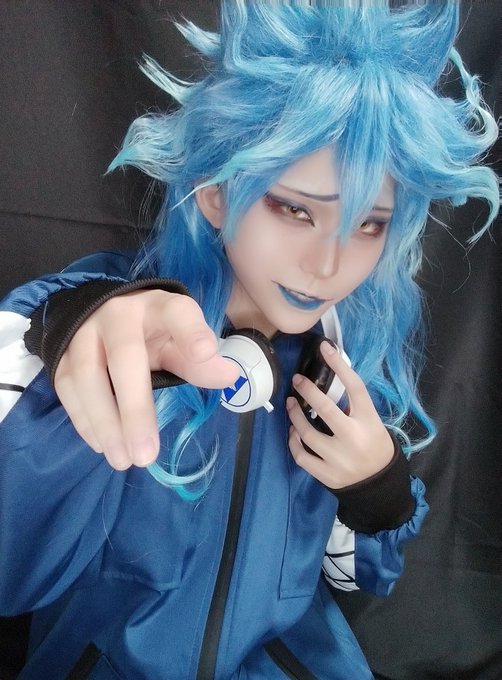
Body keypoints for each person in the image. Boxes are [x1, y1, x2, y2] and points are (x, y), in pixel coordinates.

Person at [0, 2, 498, 679]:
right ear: (214, 192)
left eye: (368, 225)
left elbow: (357, 583)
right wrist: (65, 342)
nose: (329, 265)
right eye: (294, 208)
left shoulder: (339, 368)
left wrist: (377, 492)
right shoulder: (94, 319)